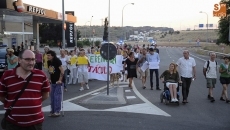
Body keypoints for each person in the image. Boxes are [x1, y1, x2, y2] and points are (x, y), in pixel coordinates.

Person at [0, 49, 50, 129]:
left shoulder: (41, 75)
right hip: (13, 122)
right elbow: (2, 97)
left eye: (33, 59)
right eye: (27, 59)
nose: (31, 62)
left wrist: (33, 102)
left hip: (35, 123)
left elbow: (45, 95)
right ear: (19, 60)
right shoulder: (7, 76)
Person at [47, 50, 64, 117]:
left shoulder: (57, 61)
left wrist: (60, 80)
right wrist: (49, 79)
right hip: (53, 81)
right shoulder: (49, 62)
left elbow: (62, 71)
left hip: (58, 81)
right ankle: (53, 111)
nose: (47, 57)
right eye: (47, 55)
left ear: (52, 56)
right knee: (52, 97)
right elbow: (51, 72)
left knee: (57, 96)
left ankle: (57, 111)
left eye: (49, 55)